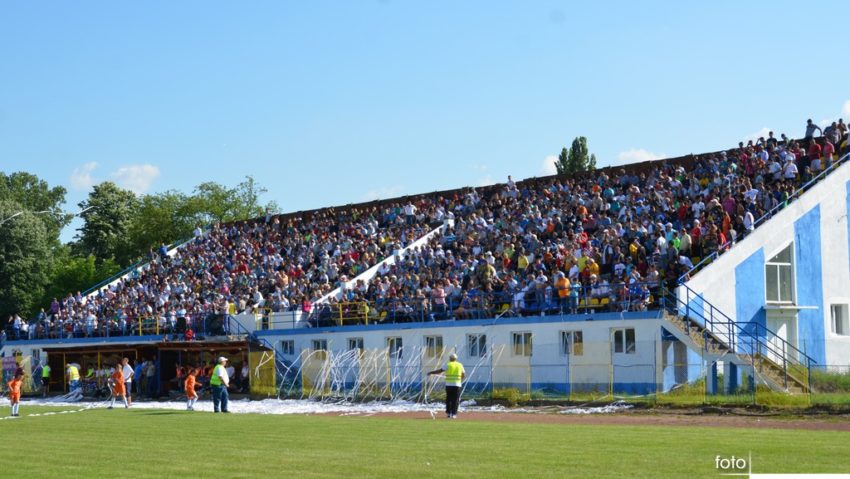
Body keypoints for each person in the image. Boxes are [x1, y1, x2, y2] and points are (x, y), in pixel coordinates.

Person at [427, 353, 466, 419]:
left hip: (449, 385)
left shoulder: (448, 364)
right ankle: (454, 414)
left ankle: (448, 413)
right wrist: (460, 379)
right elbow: (463, 374)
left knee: (449, 399)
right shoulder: (460, 365)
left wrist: (431, 372)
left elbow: (440, 371)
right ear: (456, 359)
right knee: (456, 400)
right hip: (457, 385)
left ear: (450, 358)